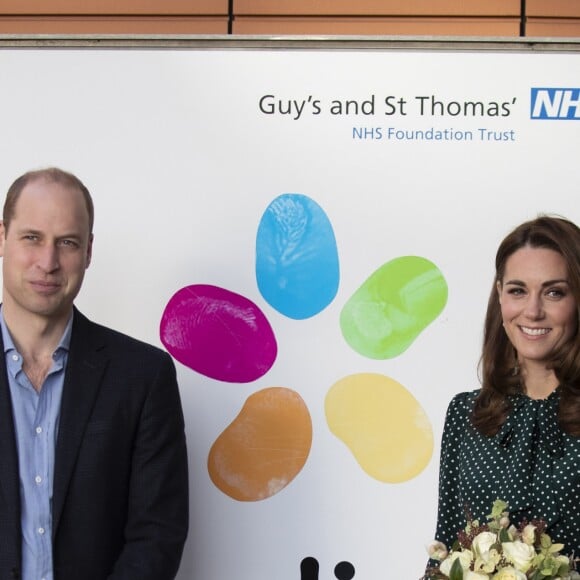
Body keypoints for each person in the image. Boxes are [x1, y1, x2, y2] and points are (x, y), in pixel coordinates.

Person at [0, 168, 189, 580]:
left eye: (66, 243)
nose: (47, 262)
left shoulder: (143, 376)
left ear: (87, 252)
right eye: (32, 238)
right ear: (2, 237)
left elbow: (157, 534)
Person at [432, 215, 580, 560]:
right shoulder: (465, 414)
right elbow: (446, 548)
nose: (533, 311)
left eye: (554, 292)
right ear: (500, 296)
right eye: (518, 290)